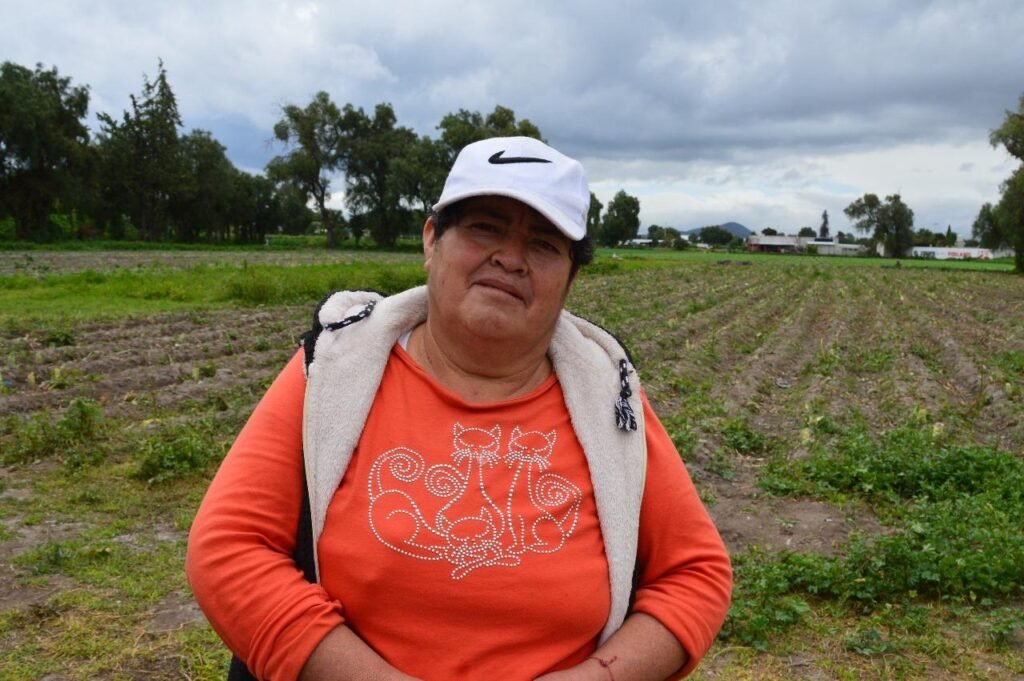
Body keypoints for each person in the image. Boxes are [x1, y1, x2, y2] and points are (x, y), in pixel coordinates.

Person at [186, 136, 732, 681]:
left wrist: (598, 677)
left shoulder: (608, 395)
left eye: (544, 245)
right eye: (485, 228)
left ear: (570, 279)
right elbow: (228, 550)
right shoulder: (334, 367)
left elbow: (695, 574)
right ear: (432, 240)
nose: (511, 259)